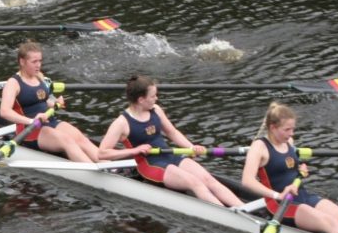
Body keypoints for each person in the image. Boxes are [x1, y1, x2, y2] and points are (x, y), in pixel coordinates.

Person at [241, 102, 338, 233]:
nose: (291, 134)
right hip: (280, 204)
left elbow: (287, 166)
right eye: (287, 129)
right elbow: (247, 180)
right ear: (273, 128)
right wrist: (278, 195)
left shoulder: (288, 141)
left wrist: (300, 169)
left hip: (302, 195)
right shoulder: (259, 147)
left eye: (293, 129)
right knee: (330, 223)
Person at [98, 75, 242, 207]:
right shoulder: (121, 123)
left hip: (169, 155)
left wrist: (191, 147)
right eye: (153, 96)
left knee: (208, 179)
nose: (156, 99)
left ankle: (243, 209)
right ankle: (231, 217)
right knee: (196, 183)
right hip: (151, 165)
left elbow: (172, 132)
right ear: (141, 99)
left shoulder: (156, 110)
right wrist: (135, 150)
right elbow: (102, 154)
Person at [0, 41, 99, 163]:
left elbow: (44, 100)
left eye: (40, 61)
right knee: (67, 141)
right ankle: (97, 175)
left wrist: (54, 102)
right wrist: (31, 121)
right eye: (34, 62)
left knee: (81, 138)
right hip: (30, 130)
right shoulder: (13, 83)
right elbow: (4, 112)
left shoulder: (39, 76)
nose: (38, 65)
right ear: (22, 61)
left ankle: (111, 166)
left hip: (50, 121)